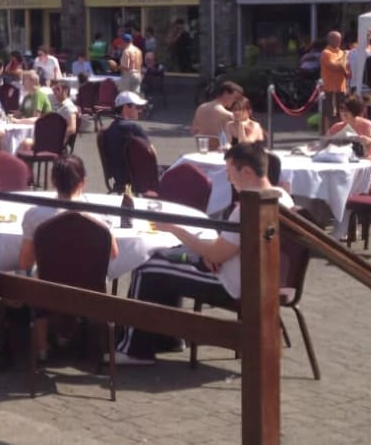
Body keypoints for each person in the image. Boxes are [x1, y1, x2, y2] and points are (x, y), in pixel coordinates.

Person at [111, 143, 294, 365]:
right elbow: (228, 247)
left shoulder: (247, 206)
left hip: (234, 285)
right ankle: (167, 338)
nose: (229, 180)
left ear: (246, 172)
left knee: (147, 269)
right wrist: (212, 253)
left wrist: (173, 228)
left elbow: (218, 254)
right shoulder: (282, 198)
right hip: (258, 278)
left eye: (230, 173)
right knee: (165, 260)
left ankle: (135, 350)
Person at [16, 155, 117, 270]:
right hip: (88, 286)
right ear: (83, 183)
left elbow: (25, 263)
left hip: (48, 285)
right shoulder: (101, 216)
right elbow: (113, 253)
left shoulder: (33, 216)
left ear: (53, 181)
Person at [328, 95, 371, 166]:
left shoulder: (366, 124)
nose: (343, 114)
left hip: (366, 160)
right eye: (341, 110)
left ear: (354, 111)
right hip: (343, 161)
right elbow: (325, 142)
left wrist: (366, 139)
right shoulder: (336, 127)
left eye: (347, 111)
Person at [192, 81, 243, 150]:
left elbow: (194, 130)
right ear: (226, 93)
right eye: (235, 98)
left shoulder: (201, 107)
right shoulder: (227, 115)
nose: (235, 101)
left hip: (203, 148)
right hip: (222, 151)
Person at [320, 31, 350, 133]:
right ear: (329, 40)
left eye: (339, 39)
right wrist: (343, 63)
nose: (338, 41)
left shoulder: (342, 53)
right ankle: (327, 134)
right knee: (330, 113)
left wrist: (344, 66)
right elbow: (334, 66)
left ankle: (339, 133)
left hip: (341, 88)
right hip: (330, 88)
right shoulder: (326, 53)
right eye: (335, 39)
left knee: (341, 112)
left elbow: (348, 71)